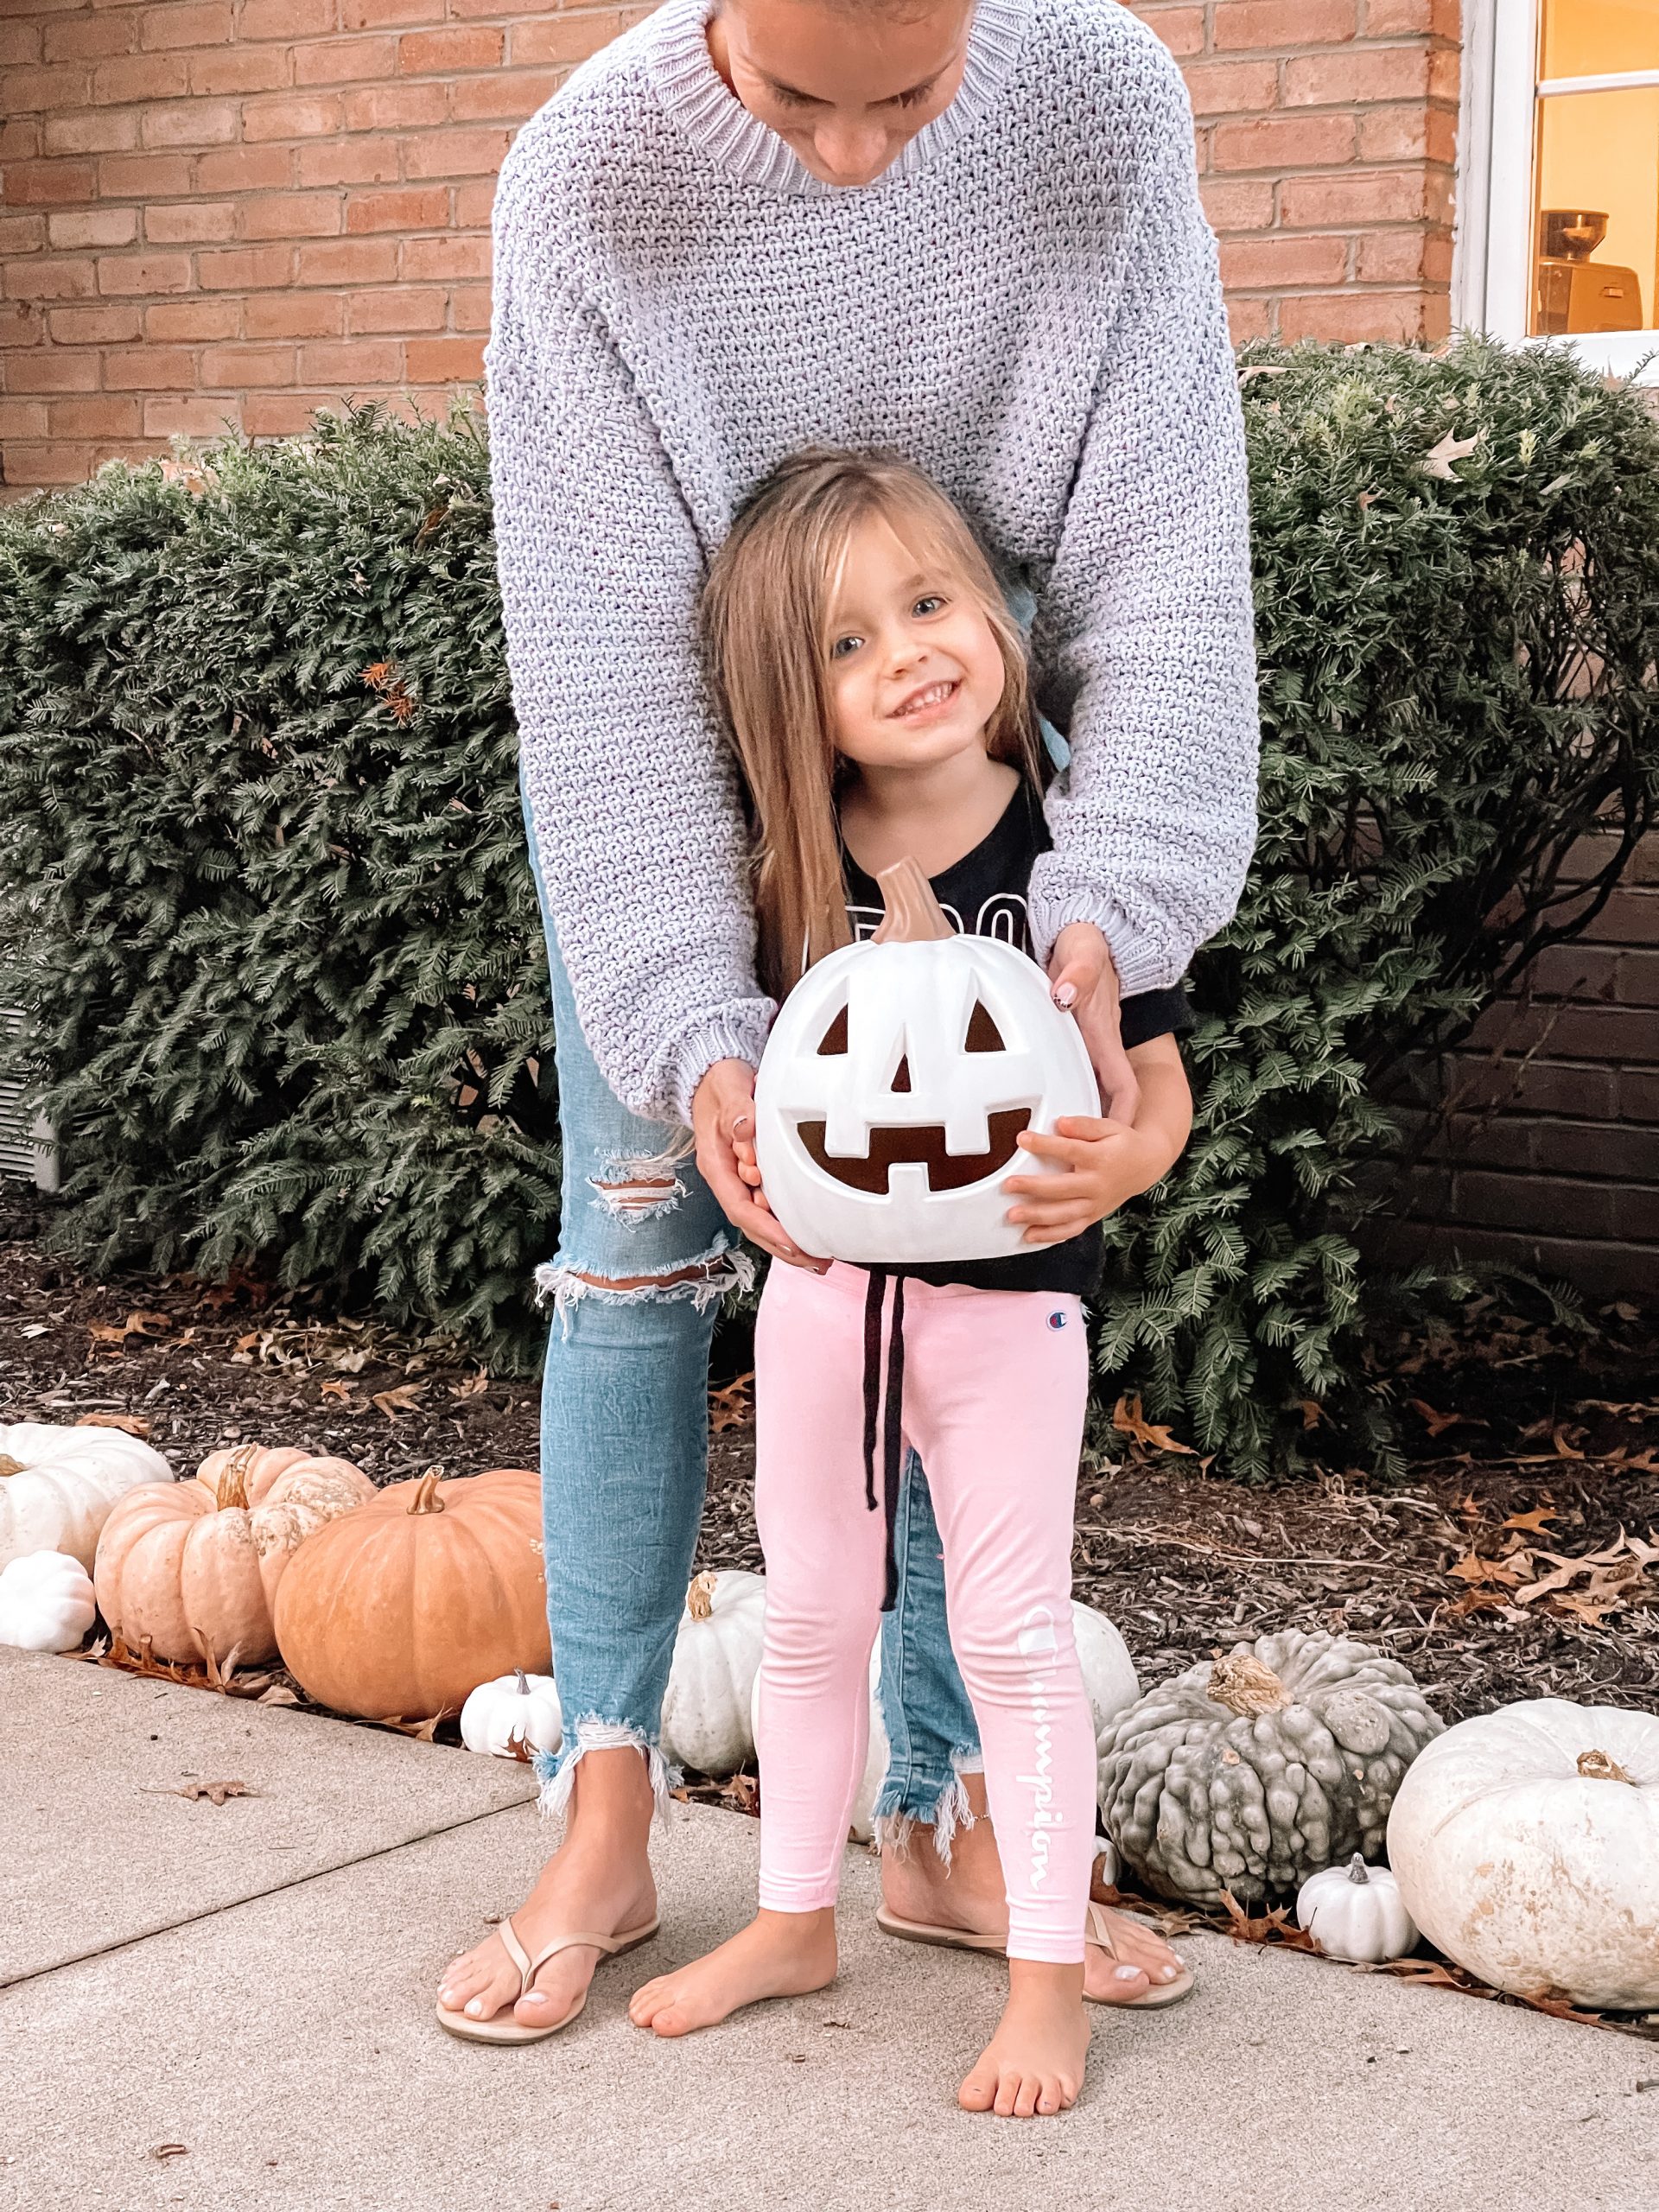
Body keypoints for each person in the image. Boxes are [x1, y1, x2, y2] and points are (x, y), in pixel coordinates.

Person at [437, 0, 1258, 2043]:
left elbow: (1161, 545)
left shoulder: (1100, 105)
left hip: (968, 759)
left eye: (912, 95)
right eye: (800, 100)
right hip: (696, 766)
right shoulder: (590, 179)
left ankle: (937, 1808)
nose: (856, 157)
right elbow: (610, 670)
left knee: (963, 1259)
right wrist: (693, 1022)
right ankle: (605, 1796)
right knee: (639, 1248)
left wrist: (1120, 922)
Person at [623, 450, 1197, 2118]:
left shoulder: (1079, 852)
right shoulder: (790, 868)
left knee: (1008, 1630)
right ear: (790, 702)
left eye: (930, 605)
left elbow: (1156, 1081)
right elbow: (767, 1102)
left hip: (1011, 1313)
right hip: (822, 1310)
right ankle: (795, 1915)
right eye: (847, 644)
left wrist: (1133, 1160)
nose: (907, 655)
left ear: (996, 616)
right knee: (805, 1618)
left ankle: (1038, 1978)